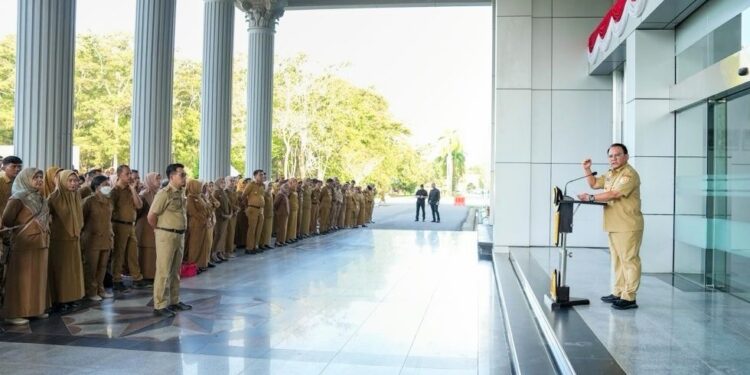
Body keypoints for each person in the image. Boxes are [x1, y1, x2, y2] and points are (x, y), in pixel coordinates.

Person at [577, 143, 644, 310]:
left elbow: (614, 194)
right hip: (614, 224)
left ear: (626, 156)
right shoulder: (611, 174)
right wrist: (587, 169)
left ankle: (629, 297)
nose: (614, 158)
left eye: (618, 155)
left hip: (627, 225)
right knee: (618, 261)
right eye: (611, 156)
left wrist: (591, 198)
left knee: (629, 260)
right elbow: (593, 184)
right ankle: (619, 292)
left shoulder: (628, 174)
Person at [1, 168, 50, 325]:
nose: (39, 180)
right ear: (25, 179)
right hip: (24, 242)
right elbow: (7, 220)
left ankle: (34, 309)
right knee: (20, 279)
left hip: (40, 241)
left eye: (41, 177)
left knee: (37, 277)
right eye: (35, 177)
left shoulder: (41, 197)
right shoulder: (18, 197)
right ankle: (14, 312)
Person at [147, 163, 191, 318]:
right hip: (166, 235)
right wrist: (158, 230)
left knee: (175, 271)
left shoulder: (181, 191)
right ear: (172, 176)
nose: (185, 177)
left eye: (185, 174)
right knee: (163, 271)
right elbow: (151, 216)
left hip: (179, 235)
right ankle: (159, 305)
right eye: (182, 175)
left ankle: (174, 300)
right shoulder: (164, 193)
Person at [47, 170, 85, 311]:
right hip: (59, 240)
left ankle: (71, 297)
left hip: (74, 239)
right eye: (70, 181)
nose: (74, 183)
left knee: (73, 270)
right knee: (61, 271)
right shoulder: (54, 197)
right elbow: (46, 216)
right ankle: (60, 299)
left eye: (75, 181)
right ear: (62, 181)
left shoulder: (76, 196)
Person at [110, 165, 147, 291]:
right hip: (119, 224)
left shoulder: (130, 189)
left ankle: (137, 277)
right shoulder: (115, 191)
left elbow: (139, 205)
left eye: (130, 173)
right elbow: (110, 210)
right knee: (119, 253)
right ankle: (116, 279)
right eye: (127, 174)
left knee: (132, 252)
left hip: (131, 225)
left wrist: (132, 189)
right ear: (119, 175)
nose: (130, 176)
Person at [81, 175, 115, 301]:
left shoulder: (109, 201)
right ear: (97, 187)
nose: (108, 187)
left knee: (103, 266)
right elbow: (81, 220)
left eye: (108, 184)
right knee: (91, 266)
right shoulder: (89, 201)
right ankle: (91, 291)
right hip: (92, 239)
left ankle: (100, 289)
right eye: (105, 185)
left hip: (106, 238)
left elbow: (108, 220)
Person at [136, 172, 161, 282]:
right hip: (145, 227)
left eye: (160, 179)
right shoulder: (144, 194)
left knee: (154, 251)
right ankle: (146, 275)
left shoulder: (158, 193)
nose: (159, 182)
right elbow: (138, 211)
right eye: (157, 179)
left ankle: (153, 274)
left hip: (155, 227)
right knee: (146, 251)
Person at [184, 179, 210, 272]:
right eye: (198, 185)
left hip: (203, 223)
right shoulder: (190, 198)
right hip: (195, 224)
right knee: (195, 245)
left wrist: (207, 218)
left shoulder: (199, 197)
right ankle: (193, 264)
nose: (200, 187)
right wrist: (203, 219)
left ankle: (201, 263)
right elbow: (192, 211)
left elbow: (206, 208)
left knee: (202, 244)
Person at [243, 170, 265, 254]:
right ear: (255, 176)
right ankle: (249, 248)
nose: (262, 176)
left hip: (261, 209)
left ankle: (256, 246)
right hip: (252, 209)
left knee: (259, 229)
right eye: (260, 175)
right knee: (252, 229)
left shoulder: (262, 186)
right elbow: (243, 196)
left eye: (263, 175)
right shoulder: (251, 185)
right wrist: (247, 207)